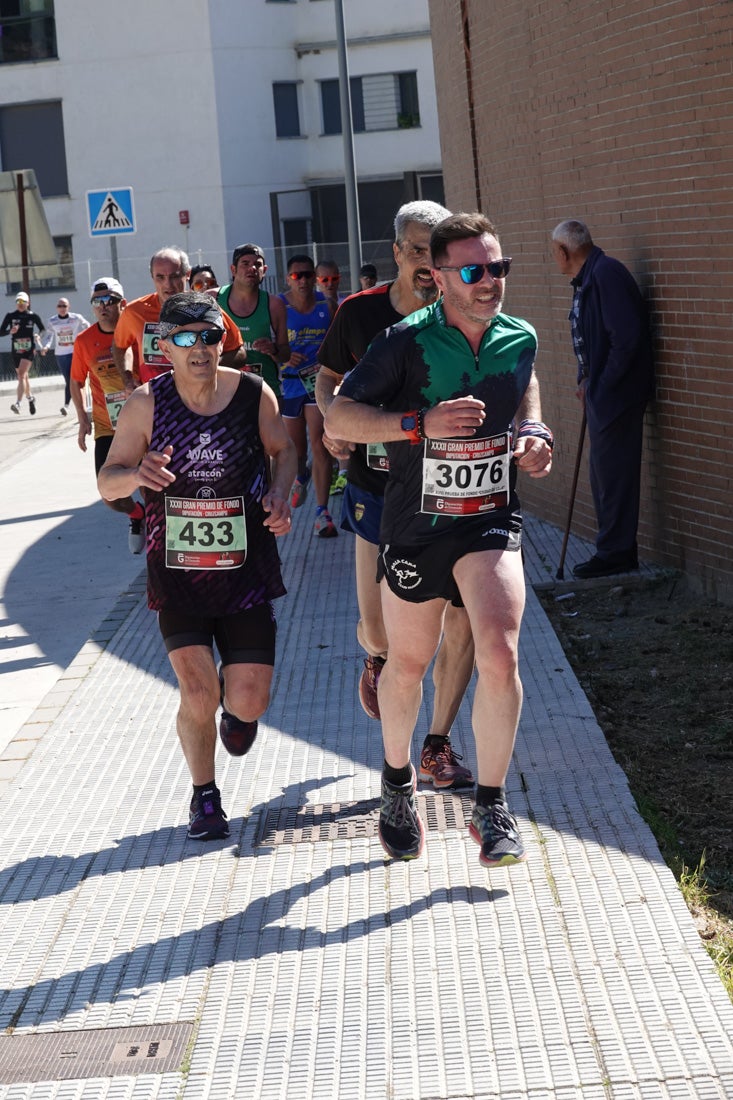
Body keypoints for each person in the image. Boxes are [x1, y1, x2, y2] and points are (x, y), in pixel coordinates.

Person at [325, 212, 554, 866]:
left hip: (487, 520)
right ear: (438, 276)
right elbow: (341, 410)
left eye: (498, 269)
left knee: (500, 654)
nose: (490, 284)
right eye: (473, 272)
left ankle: (490, 804)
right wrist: (418, 422)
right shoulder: (404, 342)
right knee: (407, 666)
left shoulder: (518, 337)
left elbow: (524, 386)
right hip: (416, 526)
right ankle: (397, 783)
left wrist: (533, 435)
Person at [98, 292, 297, 840]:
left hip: (246, 570)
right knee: (197, 692)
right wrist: (137, 473)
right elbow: (107, 480)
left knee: (249, 700)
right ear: (164, 347)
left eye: (209, 336)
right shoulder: (146, 403)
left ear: (222, 339)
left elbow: (284, 451)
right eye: (185, 339)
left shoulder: (253, 393)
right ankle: (204, 796)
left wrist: (281, 495)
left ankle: (238, 715)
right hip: (178, 571)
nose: (199, 348)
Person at [316, 200, 477, 791]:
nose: (424, 264)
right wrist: (335, 426)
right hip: (377, 489)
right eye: (414, 251)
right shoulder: (360, 315)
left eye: (434, 253)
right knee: (381, 629)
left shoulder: (466, 312)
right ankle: (377, 657)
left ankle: (435, 745)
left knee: (460, 626)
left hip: (447, 493)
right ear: (396, 253)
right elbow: (328, 378)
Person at [551, 219, 654, 578]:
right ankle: (613, 549)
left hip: (618, 395)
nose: (555, 260)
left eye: (555, 253)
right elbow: (593, 338)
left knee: (613, 475)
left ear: (564, 251)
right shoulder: (587, 279)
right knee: (604, 474)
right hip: (604, 393)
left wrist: (602, 385)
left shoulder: (606, 275)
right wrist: (586, 378)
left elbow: (626, 339)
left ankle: (617, 552)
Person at [70, 278, 146, 553]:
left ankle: (161, 539)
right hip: (108, 427)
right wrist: (82, 420)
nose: (103, 306)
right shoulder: (84, 341)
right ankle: (138, 514)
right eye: (97, 302)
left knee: (151, 484)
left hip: (143, 423)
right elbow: (76, 381)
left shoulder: (137, 333)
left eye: (110, 300)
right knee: (110, 495)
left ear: (122, 304)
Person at [112, 246, 246, 387]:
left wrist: (205, 364)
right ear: (152, 277)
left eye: (174, 276)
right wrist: (127, 379)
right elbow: (119, 346)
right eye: (160, 277)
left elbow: (239, 353)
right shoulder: (134, 312)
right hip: (157, 399)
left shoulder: (206, 307)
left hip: (202, 398)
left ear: (187, 274)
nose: (167, 284)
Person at [279, 254, 338, 537]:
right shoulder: (280, 305)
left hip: (316, 382)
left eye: (306, 275)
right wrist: (283, 358)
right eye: (296, 276)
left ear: (314, 277)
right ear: (288, 278)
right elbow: (273, 346)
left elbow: (338, 343)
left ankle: (322, 512)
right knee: (297, 450)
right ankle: (300, 476)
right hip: (290, 384)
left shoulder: (326, 305)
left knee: (319, 444)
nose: (302, 280)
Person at [217, 243, 289, 400]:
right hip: (224, 392)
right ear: (233, 269)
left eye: (258, 264)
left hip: (265, 390)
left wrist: (273, 349)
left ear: (265, 270)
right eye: (245, 263)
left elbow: (285, 355)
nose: (252, 268)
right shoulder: (214, 299)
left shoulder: (274, 305)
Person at [43, 296, 90, 416]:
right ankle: (73, 405)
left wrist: (85, 339)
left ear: (69, 307)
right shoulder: (52, 321)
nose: (62, 308)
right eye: (60, 306)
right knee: (68, 380)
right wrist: (46, 346)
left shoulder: (76, 318)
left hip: (75, 353)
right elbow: (49, 336)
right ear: (56, 308)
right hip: (61, 354)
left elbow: (88, 326)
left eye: (64, 306)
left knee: (74, 380)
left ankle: (67, 406)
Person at [1, 291, 45, 415]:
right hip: (16, 349)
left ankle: (18, 404)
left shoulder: (32, 316)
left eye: (23, 302)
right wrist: (10, 331)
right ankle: (31, 398)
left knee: (21, 375)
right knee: (23, 377)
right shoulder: (10, 316)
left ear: (27, 303)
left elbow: (43, 329)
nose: (20, 304)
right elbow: (1, 331)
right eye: (18, 302)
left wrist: (38, 335)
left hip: (29, 349)